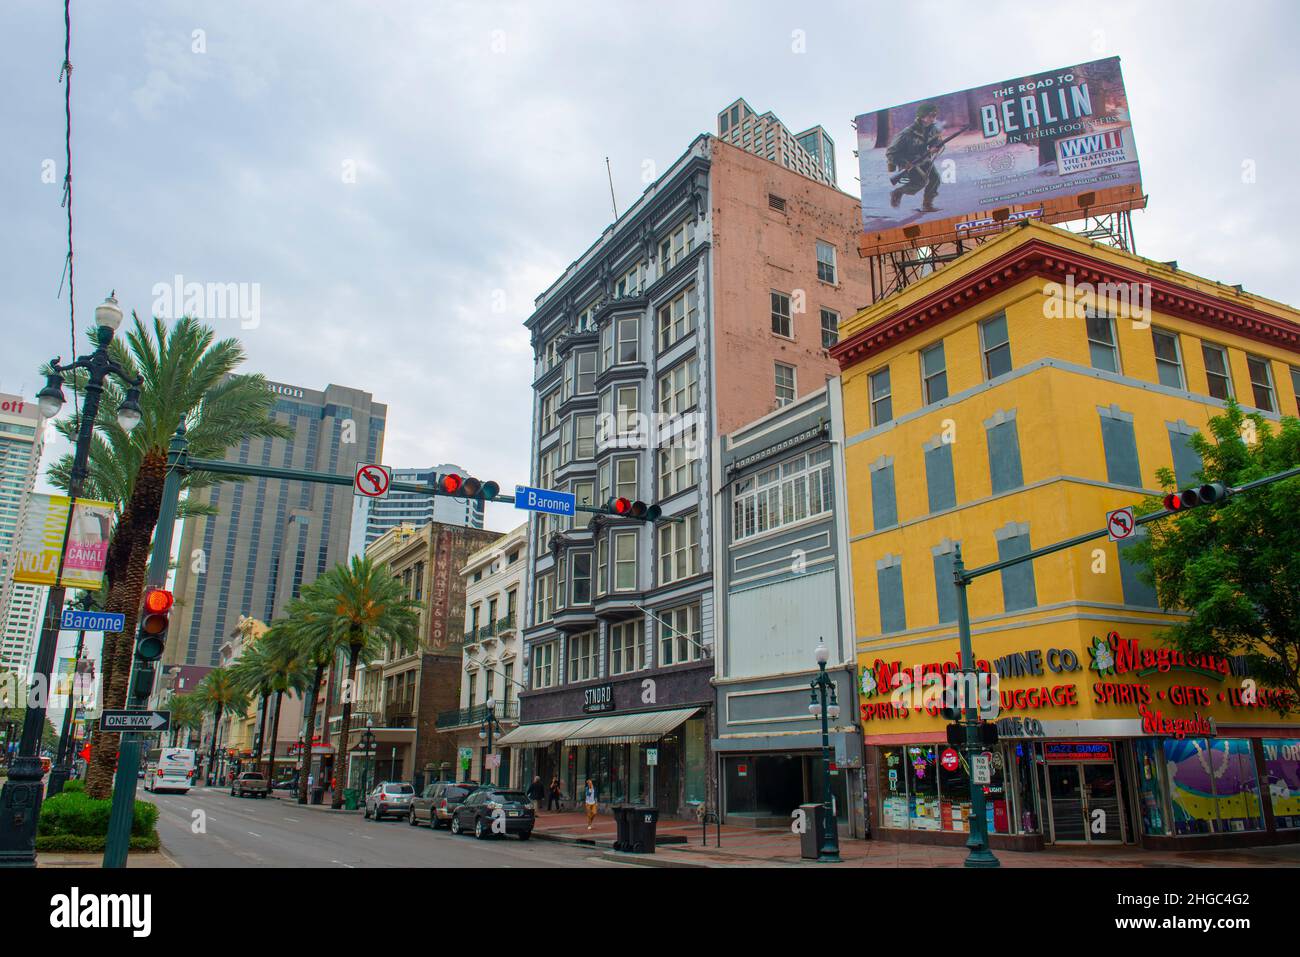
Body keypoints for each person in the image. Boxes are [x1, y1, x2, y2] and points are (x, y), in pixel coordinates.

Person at [886, 101, 945, 213]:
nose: (934, 118)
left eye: (935, 115)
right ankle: (898, 192)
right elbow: (891, 152)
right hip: (910, 163)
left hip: (924, 159)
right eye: (931, 115)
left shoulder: (932, 129)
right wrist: (904, 163)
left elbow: (935, 140)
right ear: (922, 116)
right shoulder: (907, 133)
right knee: (920, 183)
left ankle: (927, 205)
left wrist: (935, 147)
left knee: (935, 179)